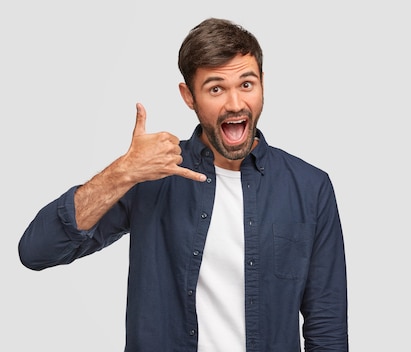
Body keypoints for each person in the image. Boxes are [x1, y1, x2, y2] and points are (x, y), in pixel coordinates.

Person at [18, 17, 348, 352]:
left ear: (263, 82)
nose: (235, 103)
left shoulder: (310, 187)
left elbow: (327, 326)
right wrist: (123, 172)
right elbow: (37, 251)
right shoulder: (153, 176)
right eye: (216, 89)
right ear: (188, 96)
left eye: (246, 84)